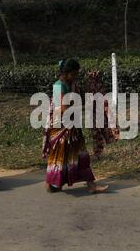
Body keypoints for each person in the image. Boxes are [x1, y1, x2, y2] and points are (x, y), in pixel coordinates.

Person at [42, 59, 109, 194]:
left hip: (72, 125)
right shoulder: (58, 86)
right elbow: (62, 108)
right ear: (66, 73)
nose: (75, 77)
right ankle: (52, 182)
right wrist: (78, 105)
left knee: (81, 156)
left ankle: (90, 185)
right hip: (61, 126)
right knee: (59, 157)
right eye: (73, 74)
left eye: (76, 74)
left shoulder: (72, 85)